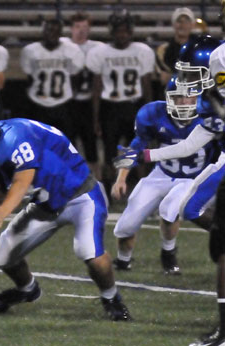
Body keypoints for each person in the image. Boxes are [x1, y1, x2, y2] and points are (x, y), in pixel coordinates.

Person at [111, 34, 224, 346]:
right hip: (181, 170)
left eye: (191, 76)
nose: (186, 89)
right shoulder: (190, 106)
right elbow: (178, 145)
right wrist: (134, 165)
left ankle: (175, 252)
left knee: (182, 207)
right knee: (168, 212)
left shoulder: (211, 101)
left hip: (200, 171)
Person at [0, 118, 132, 322]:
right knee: (2, 256)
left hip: (80, 195)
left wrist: (3, 211)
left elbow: (23, 179)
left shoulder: (15, 136)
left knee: (89, 252)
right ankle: (27, 290)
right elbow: (2, 184)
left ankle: (111, 297)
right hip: (45, 205)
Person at [112, 76, 216, 274]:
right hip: (161, 174)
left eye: (190, 97)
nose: (185, 102)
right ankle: (123, 260)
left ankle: (168, 253)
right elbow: (135, 147)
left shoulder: (210, 117)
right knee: (126, 226)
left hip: (193, 178)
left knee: (170, 209)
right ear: (169, 98)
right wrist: (121, 178)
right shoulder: (153, 113)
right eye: (179, 97)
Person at [86, 9, 155, 199]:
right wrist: (96, 119)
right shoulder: (100, 52)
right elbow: (97, 89)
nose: (121, 34)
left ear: (131, 31)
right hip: (111, 106)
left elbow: (146, 85)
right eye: (118, 30)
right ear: (111, 31)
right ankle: (109, 193)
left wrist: (149, 114)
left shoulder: (142, 51)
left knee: (139, 151)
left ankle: (144, 193)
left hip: (134, 106)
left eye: (125, 30)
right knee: (109, 154)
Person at [20, 18, 84, 141]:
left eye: (55, 31)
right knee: (37, 143)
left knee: (65, 144)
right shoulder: (31, 50)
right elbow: (29, 78)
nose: (52, 34)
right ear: (43, 32)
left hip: (63, 103)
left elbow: (75, 77)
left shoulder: (72, 50)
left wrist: (69, 96)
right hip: (38, 103)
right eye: (49, 31)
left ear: (60, 33)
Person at [60, 12, 104, 179]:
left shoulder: (97, 48)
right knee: (67, 144)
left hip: (89, 102)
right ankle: (68, 182)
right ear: (71, 29)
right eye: (78, 27)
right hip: (67, 102)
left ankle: (97, 183)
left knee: (91, 145)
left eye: (85, 27)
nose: (81, 31)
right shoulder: (62, 45)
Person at [155, 7, 195, 91]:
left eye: (186, 21)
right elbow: (164, 79)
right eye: (179, 21)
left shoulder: (199, 48)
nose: (182, 25)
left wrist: (174, 77)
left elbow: (204, 77)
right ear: (173, 24)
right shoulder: (163, 50)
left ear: (192, 25)